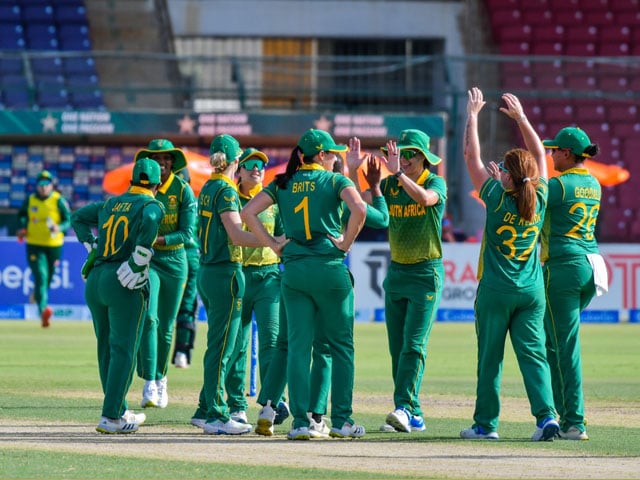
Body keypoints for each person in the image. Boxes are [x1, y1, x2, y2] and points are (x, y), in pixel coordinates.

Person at [242, 129, 367, 440]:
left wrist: (272, 244)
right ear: (322, 155)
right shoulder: (336, 180)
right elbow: (361, 209)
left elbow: (248, 212)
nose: (335, 158)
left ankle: (300, 422)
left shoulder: (282, 182)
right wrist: (345, 243)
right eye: (332, 154)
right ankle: (341, 420)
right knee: (340, 347)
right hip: (328, 267)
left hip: (294, 271)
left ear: (301, 155)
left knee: (297, 347)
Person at [460, 86, 559, 441]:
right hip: (531, 291)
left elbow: (471, 157)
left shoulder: (495, 198)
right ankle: (547, 417)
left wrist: (472, 115)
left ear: (508, 177)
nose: (498, 170)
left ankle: (486, 425)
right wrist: (521, 117)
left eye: (503, 168)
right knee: (534, 357)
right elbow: (539, 156)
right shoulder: (540, 195)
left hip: (496, 291)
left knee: (491, 359)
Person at [347, 129, 447, 434]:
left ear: (423, 158)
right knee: (398, 348)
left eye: (408, 154)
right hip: (398, 273)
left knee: (414, 346)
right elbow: (359, 203)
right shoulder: (389, 185)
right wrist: (354, 170)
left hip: (426, 273)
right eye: (399, 153)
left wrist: (398, 175)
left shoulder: (434, 181)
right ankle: (412, 412)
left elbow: (427, 199)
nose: (402, 159)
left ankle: (403, 407)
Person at [71, 158, 164, 434]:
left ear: (132, 181)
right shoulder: (152, 205)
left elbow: (77, 217)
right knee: (124, 350)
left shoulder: (111, 203)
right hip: (122, 280)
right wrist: (138, 259)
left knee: (106, 349)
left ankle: (119, 409)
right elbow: (149, 219)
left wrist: (93, 245)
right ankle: (111, 416)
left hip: (97, 277)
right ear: (157, 185)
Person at [190, 134, 262, 435]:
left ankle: (205, 408)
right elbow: (237, 235)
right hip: (225, 273)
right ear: (236, 161)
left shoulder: (207, 186)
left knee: (219, 344)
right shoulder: (227, 191)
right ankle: (218, 415)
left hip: (208, 271)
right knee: (223, 348)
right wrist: (274, 242)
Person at [541, 126, 606, 441]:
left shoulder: (559, 185)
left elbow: (530, 208)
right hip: (592, 267)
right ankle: (560, 413)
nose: (552, 155)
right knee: (552, 341)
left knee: (564, 345)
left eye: (555, 150)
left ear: (567, 153)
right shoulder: (594, 183)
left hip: (563, 268)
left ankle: (575, 422)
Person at [224, 147, 286, 426]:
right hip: (238, 276)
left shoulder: (274, 199)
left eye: (261, 164)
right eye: (249, 164)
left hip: (269, 277)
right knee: (237, 343)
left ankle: (271, 403)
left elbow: (285, 234)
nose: (256, 169)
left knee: (272, 342)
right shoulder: (229, 197)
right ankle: (236, 404)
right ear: (238, 170)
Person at [133, 139, 197, 409]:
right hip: (148, 261)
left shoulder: (183, 190)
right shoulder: (140, 189)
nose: (161, 162)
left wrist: (158, 240)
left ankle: (162, 379)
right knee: (149, 319)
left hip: (175, 260)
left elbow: (187, 233)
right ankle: (149, 382)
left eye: (166, 158)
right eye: (156, 158)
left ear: (172, 162)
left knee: (167, 326)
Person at [17, 170, 72, 328]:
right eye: (40, 184)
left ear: (51, 186)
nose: (43, 187)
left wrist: (59, 227)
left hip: (54, 246)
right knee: (41, 276)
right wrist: (22, 227)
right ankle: (43, 311)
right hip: (34, 244)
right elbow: (21, 216)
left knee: (47, 280)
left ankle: (38, 296)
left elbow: (68, 220)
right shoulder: (31, 200)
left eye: (46, 184)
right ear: (36, 186)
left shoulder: (58, 200)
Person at [172, 166, 200, 369]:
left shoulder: (165, 203)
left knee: (162, 307)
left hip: (173, 256)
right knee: (187, 306)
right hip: (191, 258)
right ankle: (182, 351)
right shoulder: (197, 203)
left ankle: (178, 351)